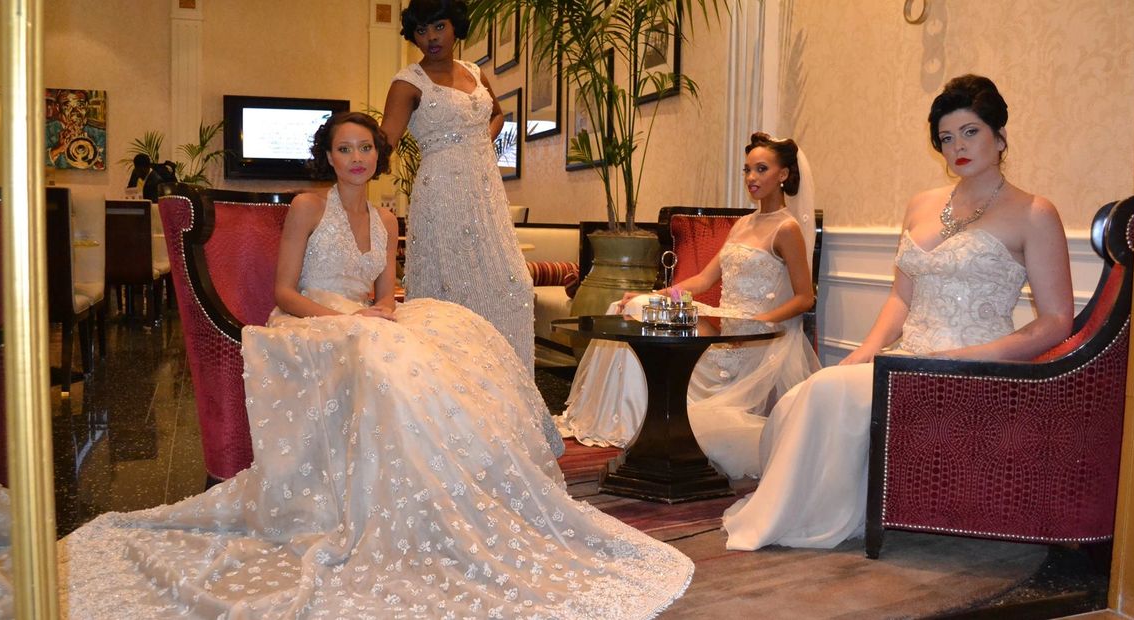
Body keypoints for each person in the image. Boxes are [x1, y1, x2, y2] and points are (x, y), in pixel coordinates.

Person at [48, 112, 693, 618]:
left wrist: (382, 311)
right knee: (383, 352)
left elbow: (388, 293)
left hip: (365, 320)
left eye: (365, 148)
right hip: (307, 324)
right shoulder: (306, 208)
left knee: (458, 331)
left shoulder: (386, 218)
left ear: (376, 158)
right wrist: (348, 320)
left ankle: (461, 491)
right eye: (344, 148)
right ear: (328, 157)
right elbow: (283, 294)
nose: (357, 157)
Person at [722, 74, 1075, 550]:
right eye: (946, 138)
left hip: (975, 367)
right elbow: (901, 298)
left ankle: (807, 517)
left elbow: (1057, 321)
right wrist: (865, 352)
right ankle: (799, 514)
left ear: (1000, 135)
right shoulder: (922, 205)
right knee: (812, 391)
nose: (957, 147)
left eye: (970, 132)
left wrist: (970, 356)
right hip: (907, 356)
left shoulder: (1034, 212)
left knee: (826, 394)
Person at [557, 135, 822, 478]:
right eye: (746, 170)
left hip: (758, 339)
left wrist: (759, 323)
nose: (751, 178)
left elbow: (805, 297)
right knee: (635, 307)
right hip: (724, 326)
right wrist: (659, 294)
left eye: (761, 169)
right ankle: (622, 419)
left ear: (783, 174)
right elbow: (703, 280)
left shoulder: (787, 228)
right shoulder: (744, 224)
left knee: (651, 324)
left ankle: (645, 423)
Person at [380, 0, 543, 385]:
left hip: (486, 195)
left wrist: (478, 144)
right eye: (421, 30)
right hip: (441, 194)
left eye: (438, 26)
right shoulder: (408, 82)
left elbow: (498, 114)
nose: (431, 37)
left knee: (515, 287)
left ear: (455, 26)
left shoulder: (475, 72)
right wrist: (346, 159)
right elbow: (385, 141)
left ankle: (510, 396)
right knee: (451, 295)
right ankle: (453, 396)